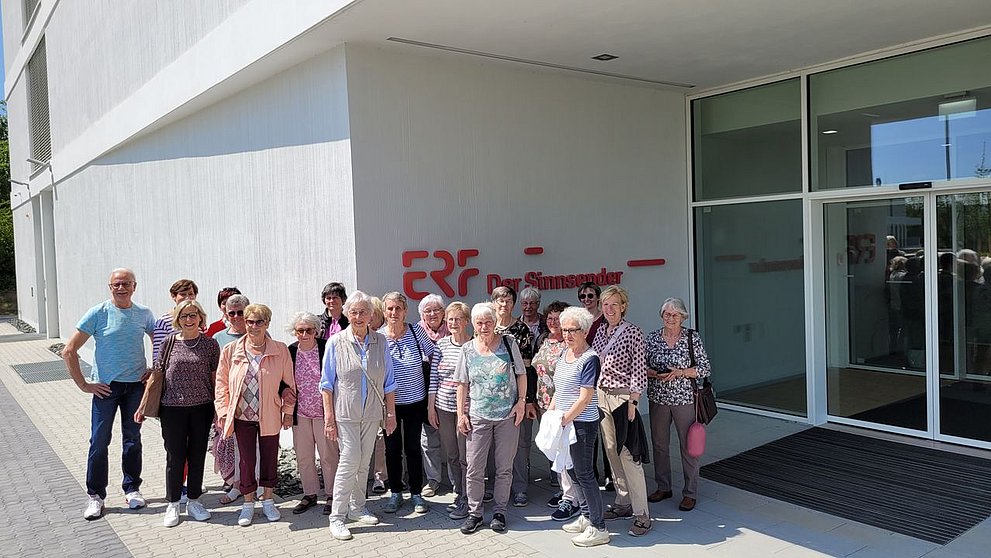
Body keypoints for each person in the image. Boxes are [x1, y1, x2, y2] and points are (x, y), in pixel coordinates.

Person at [63, 268, 157, 520]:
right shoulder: (98, 313)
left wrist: (153, 370)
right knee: (98, 441)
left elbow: (159, 342)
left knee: (132, 439)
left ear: (134, 286)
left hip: (135, 387)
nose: (121, 288)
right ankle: (96, 496)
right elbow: (69, 350)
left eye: (126, 283)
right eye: (116, 284)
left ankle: (132, 489)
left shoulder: (144, 314)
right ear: (110, 287)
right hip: (106, 388)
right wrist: (84, 385)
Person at [321, 291, 398, 541]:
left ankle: (356, 507)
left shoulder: (380, 342)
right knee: (350, 460)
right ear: (347, 314)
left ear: (372, 315)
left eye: (363, 311)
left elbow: (388, 382)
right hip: (346, 413)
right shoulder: (336, 342)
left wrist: (390, 414)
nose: (358, 316)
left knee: (364, 461)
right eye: (353, 312)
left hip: (372, 413)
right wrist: (329, 419)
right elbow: (326, 385)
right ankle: (337, 517)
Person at [135, 300, 220, 527]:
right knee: (175, 456)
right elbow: (156, 376)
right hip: (172, 409)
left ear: (200, 317)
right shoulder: (169, 343)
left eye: (193, 315)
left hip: (202, 408)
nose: (189, 320)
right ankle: (173, 503)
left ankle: (193, 501)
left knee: (197, 455)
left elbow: (215, 379)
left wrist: (219, 409)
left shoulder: (210, 345)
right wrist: (143, 406)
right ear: (178, 320)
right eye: (184, 316)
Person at [215, 303, 296, 527]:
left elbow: (289, 384)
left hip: (269, 413)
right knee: (246, 461)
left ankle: (268, 500)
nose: (253, 326)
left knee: (270, 458)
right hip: (242, 416)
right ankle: (248, 504)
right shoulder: (231, 350)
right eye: (250, 321)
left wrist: (288, 413)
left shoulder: (280, 349)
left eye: (259, 321)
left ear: (267, 323)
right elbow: (221, 384)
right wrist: (223, 411)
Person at [456, 302, 527, 534]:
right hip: (478, 415)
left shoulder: (508, 343)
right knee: (474, 467)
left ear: (495, 322)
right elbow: (462, 384)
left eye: (488, 322)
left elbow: (521, 373)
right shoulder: (467, 349)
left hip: (507, 415)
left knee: (504, 467)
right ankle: (475, 513)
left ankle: (499, 512)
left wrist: (521, 402)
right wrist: (461, 414)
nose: (484, 326)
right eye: (479, 323)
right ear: (473, 325)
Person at [591, 286, 651, 537]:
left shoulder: (633, 332)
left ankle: (642, 514)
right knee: (610, 452)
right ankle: (623, 502)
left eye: (614, 304)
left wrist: (634, 402)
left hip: (622, 399)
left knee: (628, 455)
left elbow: (639, 369)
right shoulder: (599, 333)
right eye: (605, 304)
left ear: (623, 306)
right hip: (601, 397)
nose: (609, 309)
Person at [645, 297, 712, 513]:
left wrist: (680, 373)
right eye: (666, 314)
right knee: (660, 445)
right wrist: (655, 373)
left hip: (685, 399)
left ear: (682, 317)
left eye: (675, 315)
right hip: (658, 398)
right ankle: (663, 487)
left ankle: (690, 493)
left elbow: (705, 368)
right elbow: (641, 366)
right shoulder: (653, 338)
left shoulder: (692, 338)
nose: (670, 318)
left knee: (688, 447)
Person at [552, 306, 610, 547]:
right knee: (573, 471)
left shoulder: (590, 358)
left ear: (584, 331)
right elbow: (559, 389)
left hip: (582, 424)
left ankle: (599, 527)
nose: (567, 334)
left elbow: (585, 397)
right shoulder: (564, 355)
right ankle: (586, 516)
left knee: (585, 473)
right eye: (564, 330)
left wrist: (564, 420)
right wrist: (552, 415)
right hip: (564, 422)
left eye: (572, 330)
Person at [380, 292, 434, 514]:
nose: (394, 313)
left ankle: (416, 494)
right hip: (389, 405)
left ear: (405, 311)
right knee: (392, 449)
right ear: (384, 311)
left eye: (398, 308)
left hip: (415, 401)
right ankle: (395, 493)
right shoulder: (378, 337)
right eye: (390, 308)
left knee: (412, 448)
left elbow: (434, 354)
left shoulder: (415, 331)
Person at [286, 312, 339, 516]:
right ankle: (309, 494)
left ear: (316, 331)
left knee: (328, 456)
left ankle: (333, 494)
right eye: (300, 330)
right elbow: (283, 378)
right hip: (301, 413)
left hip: (323, 413)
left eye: (309, 330)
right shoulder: (290, 351)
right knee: (304, 456)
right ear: (295, 332)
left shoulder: (326, 347)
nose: (305, 334)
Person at [532, 300, 580, 520]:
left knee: (567, 452)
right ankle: (563, 491)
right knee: (554, 449)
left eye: (557, 319)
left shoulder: (570, 345)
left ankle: (573, 499)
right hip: (545, 404)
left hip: (564, 405)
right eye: (549, 318)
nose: (553, 322)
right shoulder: (543, 339)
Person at [490, 286, 537, 507]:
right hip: (491, 398)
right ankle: (495, 487)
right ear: (493, 303)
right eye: (500, 301)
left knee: (520, 444)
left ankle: (519, 488)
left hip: (517, 396)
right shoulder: (486, 326)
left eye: (508, 301)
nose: (504, 305)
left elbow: (527, 368)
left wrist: (526, 399)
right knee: (492, 444)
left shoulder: (522, 330)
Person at [427, 301, 472, 520]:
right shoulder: (441, 346)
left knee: (466, 455)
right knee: (452, 454)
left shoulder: (474, 346)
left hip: (467, 408)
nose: (454, 323)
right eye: (450, 319)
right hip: (443, 407)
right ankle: (459, 492)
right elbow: (433, 379)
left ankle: (469, 495)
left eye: (458, 319)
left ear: (467, 321)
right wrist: (431, 406)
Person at [212, 293, 250, 505]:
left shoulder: (261, 334)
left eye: (240, 313)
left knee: (254, 446)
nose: (236, 317)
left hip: (255, 402)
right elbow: (217, 377)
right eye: (231, 313)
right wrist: (220, 407)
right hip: (230, 403)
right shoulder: (219, 339)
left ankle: (254, 485)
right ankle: (236, 486)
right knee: (232, 446)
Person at [578, 281, 612, 491]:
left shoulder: (605, 320)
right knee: (589, 428)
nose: (587, 300)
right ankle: (592, 471)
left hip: (604, 380)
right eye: (583, 296)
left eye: (590, 296)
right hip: (584, 380)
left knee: (606, 429)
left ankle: (610, 474)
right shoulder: (579, 320)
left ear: (598, 298)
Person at [417, 293, 448, 497]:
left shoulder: (455, 327)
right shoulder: (415, 332)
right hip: (423, 393)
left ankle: (461, 480)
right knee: (429, 438)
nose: (432, 314)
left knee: (458, 437)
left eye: (436, 309)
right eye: (427, 311)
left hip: (450, 393)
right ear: (422, 314)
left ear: (443, 312)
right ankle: (433, 479)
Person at [368, 295, 388, 493]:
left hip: (382, 394)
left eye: (373, 313)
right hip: (362, 397)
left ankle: (380, 477)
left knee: (381, 436)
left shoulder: (383, 337)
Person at [151, 279, 199, 363]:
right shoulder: (164, 321)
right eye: (183, 294)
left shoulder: (198, 318)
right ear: (173, 296)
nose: (187, 297)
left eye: (191, 294)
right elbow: (157, 355)